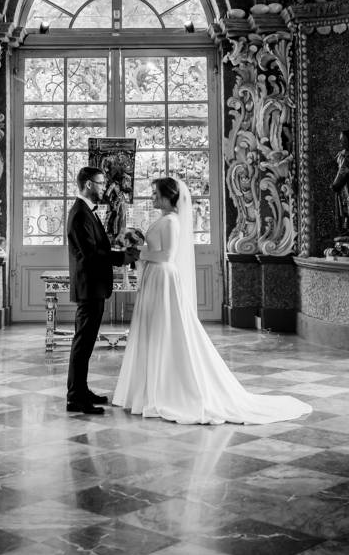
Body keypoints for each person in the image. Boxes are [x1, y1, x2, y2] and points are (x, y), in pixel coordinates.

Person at [112, 177, 312, 425]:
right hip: (155, 276)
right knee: (152, 328)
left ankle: (165, 390)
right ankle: (147, 388)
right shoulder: (163, 219)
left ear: (168, 196)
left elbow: (167, 255)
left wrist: (138, 252)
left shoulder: (172, 221)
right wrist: (139, 248)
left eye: (155, 193)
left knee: (164, 328)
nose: (152, 197)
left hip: (163, 277)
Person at [66, 166, 139, 415]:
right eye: (100, 183)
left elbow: (98, 248)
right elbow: (90, 254)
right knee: (83, 344)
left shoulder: (87, 211)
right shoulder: (80, 214)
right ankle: (75, 397)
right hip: (89, 287)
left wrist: (118, 251)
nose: (104, 187)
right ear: (88, 184)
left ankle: (81, 390)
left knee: (85, 344)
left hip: (94, 286)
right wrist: (122, 258)